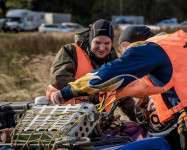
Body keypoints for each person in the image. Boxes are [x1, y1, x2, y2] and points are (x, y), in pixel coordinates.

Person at [51, 25, 187, 149]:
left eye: (127, 52)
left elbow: (108, 74)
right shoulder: (177, 41)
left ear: (134, 44)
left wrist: (68, 92)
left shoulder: (149, 48)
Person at [48, 19, 136, 121]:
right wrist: (91, 95)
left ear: (111, 43)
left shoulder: (115, 62)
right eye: (97, 42)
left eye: (107, 43)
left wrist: (138, 117)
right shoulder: (71, 51)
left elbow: (123, 95)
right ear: (90, 40)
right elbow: (59, 79)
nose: (102, 48)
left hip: (97, 123)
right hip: (64, 119)